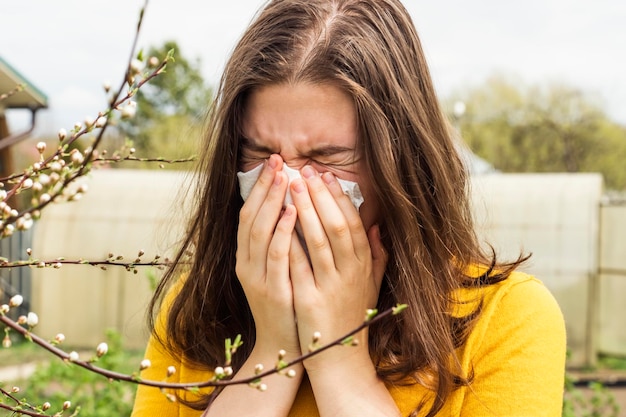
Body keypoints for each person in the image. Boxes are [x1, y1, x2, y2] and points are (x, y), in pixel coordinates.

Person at [131, 0, 566, 416]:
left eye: (326, 157)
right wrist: (272, 355)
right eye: (260, 152)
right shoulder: (195, 310)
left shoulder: (506, 321)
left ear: (400, 161)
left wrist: (340, 359)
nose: (286, 184)